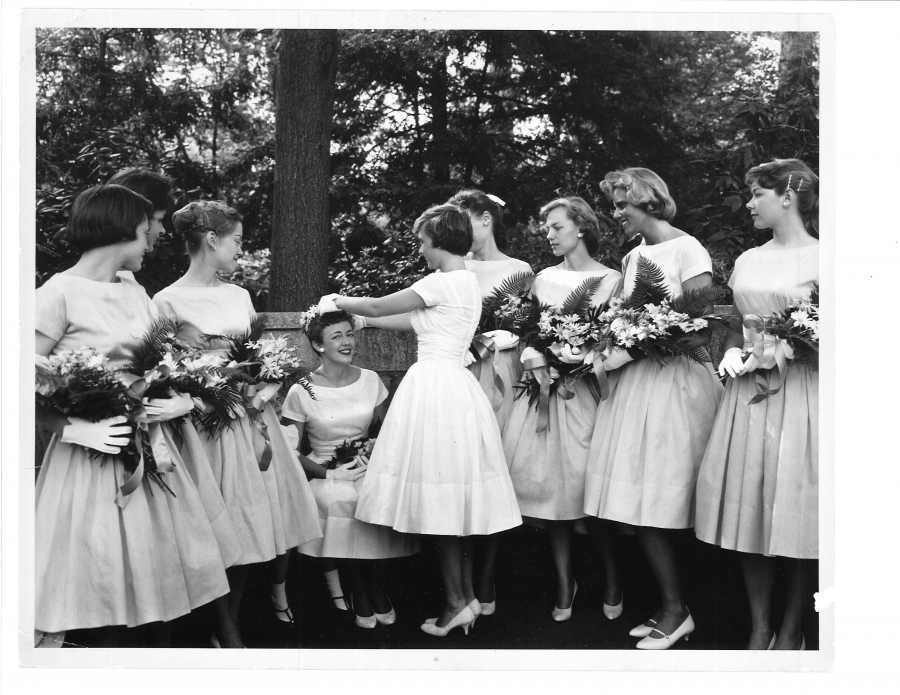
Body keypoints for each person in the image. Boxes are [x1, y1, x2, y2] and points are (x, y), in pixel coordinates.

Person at [34, 184, 231, 647]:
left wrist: (183, 397)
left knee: (158, 577)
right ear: (121, 230)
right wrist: (71, 427)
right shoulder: (57, 293)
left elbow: (161, 357)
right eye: (146, 231)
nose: (152, 240)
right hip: (89, 457)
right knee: (93, 574)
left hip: (153, 448)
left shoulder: (132, 288)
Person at [318, 203, 522, 637]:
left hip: (436, 392)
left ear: (438, 240)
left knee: (442, 500)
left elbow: (377, 305)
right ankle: (464, 598)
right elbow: (410, 320)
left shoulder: (442, 280)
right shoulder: (464, 282)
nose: (421, 249)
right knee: (450, 499)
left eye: (423, 242)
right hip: (455, 389)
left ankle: (454, 602)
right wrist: (358, 319)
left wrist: (337, 301)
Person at [153, 200, 322, 642]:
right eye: (237, 241)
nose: (240, 250)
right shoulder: (166, 299)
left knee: (251, 524)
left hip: (250, 420)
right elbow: (165, 370)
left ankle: (230, 622)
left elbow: (257, 355)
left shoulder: (239, 295)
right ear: (212, 240)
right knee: (218, 520)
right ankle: (221, 628)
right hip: (207, 423)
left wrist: (266, 386)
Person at [582, 168, 724, 649]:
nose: (616, 214)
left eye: (623, 204)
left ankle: (680, 608)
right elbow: (625, 317)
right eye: (615, 205)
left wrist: (646, 341)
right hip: (637, 386)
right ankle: (671, 605)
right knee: (641, 499)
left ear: (647, 200)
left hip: (678, 385)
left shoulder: (688, 249)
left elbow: (701, 324)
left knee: (669, 496)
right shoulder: (632, 256)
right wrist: (615, 341)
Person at [109, 168, 245, 646]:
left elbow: (242, 355)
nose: (160, 234)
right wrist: (185, 395)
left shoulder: (137, 290)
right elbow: (152, 361)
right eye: (156, 222)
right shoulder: (158, 298)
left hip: (227, 411)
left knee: (234, 526)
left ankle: (221, 629)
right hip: (168, 426)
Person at [694, 158, 819, 650]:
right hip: (747, 394)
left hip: (799, 392)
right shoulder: (748, 259)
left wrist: (792, 346)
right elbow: (735, 320)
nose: (748, 203)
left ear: (787, 197)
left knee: (793, 510)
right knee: (749, 508)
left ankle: (791, 630)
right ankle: (760, 626)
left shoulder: (825, 257)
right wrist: (729, 348)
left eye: (757, 194)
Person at [501, 196, 623, 623]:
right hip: (542, 392)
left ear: (581, 228)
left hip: (586, 392)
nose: (548, 235)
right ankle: (563, 582)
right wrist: (538, 357)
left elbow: (614, 336)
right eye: (546, 228)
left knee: (591, 489)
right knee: (553, 491)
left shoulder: (611, 279)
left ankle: (612, 579)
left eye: (556, 227)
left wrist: (581, 356)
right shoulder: (543, 278)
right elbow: (527, 331)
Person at [281, 310, 419, 629]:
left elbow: (385, 430)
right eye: (336, 337)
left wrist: (374, 456)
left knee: (382, 495)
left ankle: (378, 587)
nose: (346, 342)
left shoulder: (370, 379)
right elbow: (288, 451)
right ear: (318, 345)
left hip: (367, 463)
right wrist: (329, 474)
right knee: (339, 500)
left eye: (349, 334)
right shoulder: (301, 390)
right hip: (325, 467)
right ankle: (358, 588)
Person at [445, 189, 532, 620]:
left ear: (485, 219)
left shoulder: (519, 269)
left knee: (498, 466)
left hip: (503, 373)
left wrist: (509, 336)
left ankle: (488, 575)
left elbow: (532, 324)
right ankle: (460, 579)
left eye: (465, 221)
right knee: (463, 468)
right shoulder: (452, 265)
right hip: (461, 370)